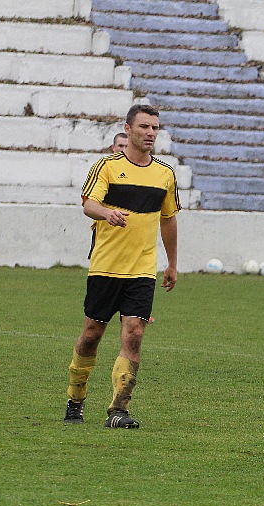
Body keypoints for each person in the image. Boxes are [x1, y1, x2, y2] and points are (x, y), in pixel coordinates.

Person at [64, 103, 179, 429]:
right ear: (128, 130)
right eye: (144, 127)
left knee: (134, 333)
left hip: (142, 270)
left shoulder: (165, 174)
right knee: (91, 336)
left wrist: (171, 263)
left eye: (155, 128)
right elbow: (89, 204)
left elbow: (168, 219)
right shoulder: (107, 167)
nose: (150, 133)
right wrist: (107, 214)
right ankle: (76, 397)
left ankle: (118, 409)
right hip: (105, 267)